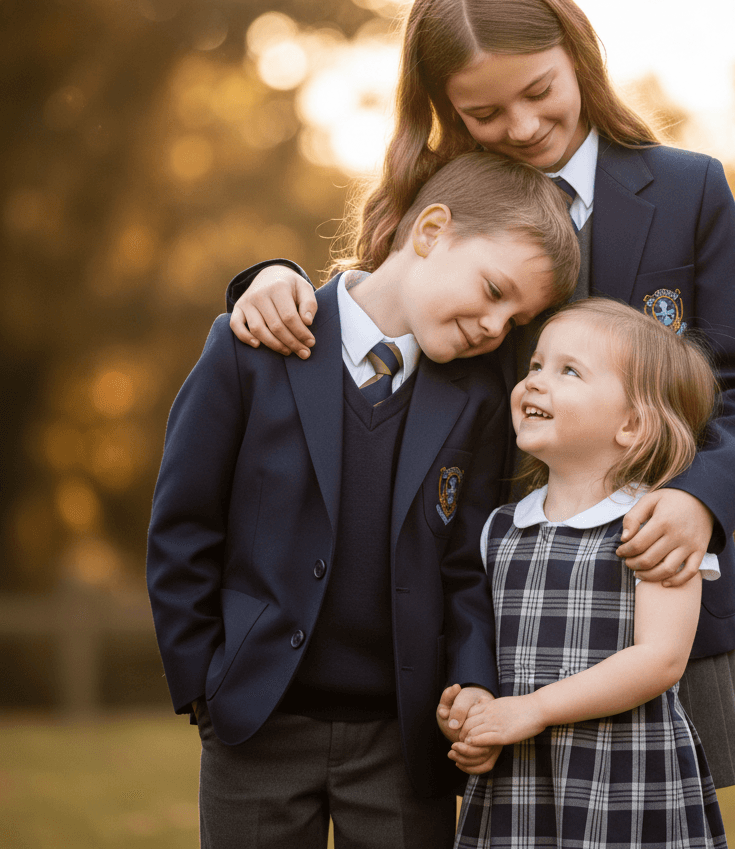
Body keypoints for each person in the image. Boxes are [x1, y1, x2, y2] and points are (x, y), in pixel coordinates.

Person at [224, 0, 735, 787]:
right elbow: (367, 320)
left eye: (540, 91)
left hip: (657, 582)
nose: (521, 127)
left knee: (657, 816)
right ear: (445, 109)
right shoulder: (440, 201)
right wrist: (269, 279)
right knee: (515, 823)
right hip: (494, 600)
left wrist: (700, 500)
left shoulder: (687, 190)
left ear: (578, 52)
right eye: (485, 113)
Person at [146, 152, 580, 849]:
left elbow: (468, 566)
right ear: (431, 231)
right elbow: (184, 526)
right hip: (256, 724)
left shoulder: (478, 399)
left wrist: (472, 680)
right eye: (494, 290)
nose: (495, 328)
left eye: (515, 318)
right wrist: (205, 684)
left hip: (401, 741)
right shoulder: (252, 345)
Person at [442, 298, 728, 848]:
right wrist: (476, 712)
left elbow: (660, 659)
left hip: (622, 776)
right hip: (521, 781)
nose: (535, 382)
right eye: (535, 365)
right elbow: (482, 645)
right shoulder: (499, 528)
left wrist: (534, 710)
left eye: (568, 371)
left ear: (632, 424)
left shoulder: (658, 527)